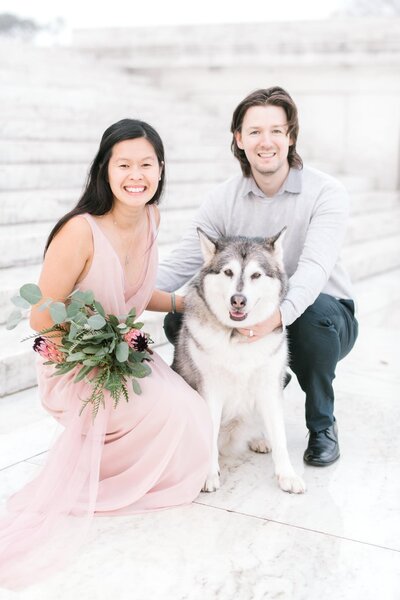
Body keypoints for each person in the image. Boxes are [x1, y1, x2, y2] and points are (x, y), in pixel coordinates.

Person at [0, 119, 211, 588]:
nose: (136, 175)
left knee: (192, 412)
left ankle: (139, 465)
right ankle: (106, 479)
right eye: (124, 165)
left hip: (121, 350)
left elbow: (133, 291)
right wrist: (99, 345)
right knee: (170, 413)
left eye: (146, 164)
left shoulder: (151, 219)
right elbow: (41, 319)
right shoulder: (80, 231)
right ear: (105, 170)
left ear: (160, 170)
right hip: (73, 359)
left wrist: (183, 301)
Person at [157, 86, 358, 468]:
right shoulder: (223, 198)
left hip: (326, 313)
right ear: (239, 139)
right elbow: (182, 262)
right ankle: (236, 401)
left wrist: (272, 320)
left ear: (290, 137)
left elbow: (314, 269)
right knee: (182, 317)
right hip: (250, 307)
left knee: (308, 321)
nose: (265, 142)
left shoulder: (327, 192)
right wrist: (122, 292)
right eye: (254, 132)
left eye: (276, 131)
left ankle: (322, 424)